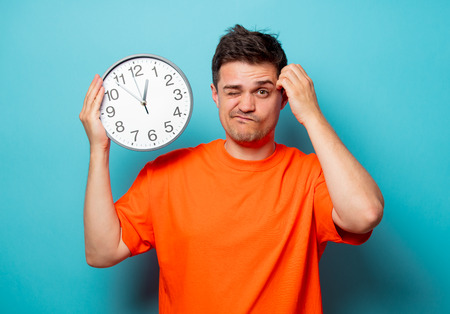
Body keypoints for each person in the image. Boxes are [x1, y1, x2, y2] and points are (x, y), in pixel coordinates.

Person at [79, 24, 384, 313]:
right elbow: (102, 251)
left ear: (283, 98)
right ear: (216, 95)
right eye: (233, 91)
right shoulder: (167, 174)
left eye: (262, 91)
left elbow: (365, 214)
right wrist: (99, 148)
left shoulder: (311, 175)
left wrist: (312, 115)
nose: (246, 105)